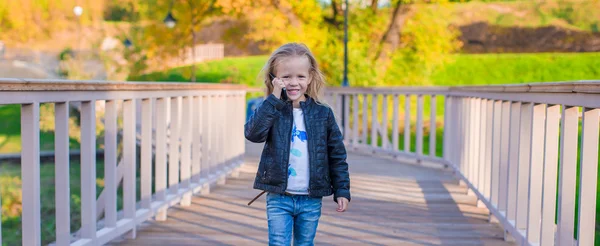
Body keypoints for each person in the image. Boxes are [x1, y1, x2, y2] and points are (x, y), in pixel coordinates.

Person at [244, 42, 351, 246]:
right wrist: (274, 99)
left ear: (310, 78)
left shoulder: (323, 113)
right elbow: (253, 133)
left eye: (300, 76)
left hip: (311, 198)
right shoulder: (272, 109)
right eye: (286, 77)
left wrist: (342, 190)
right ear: (275, 79)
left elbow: (337, 155)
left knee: (304, 243)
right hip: (279, 196)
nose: (294, 82)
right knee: (278, 242)